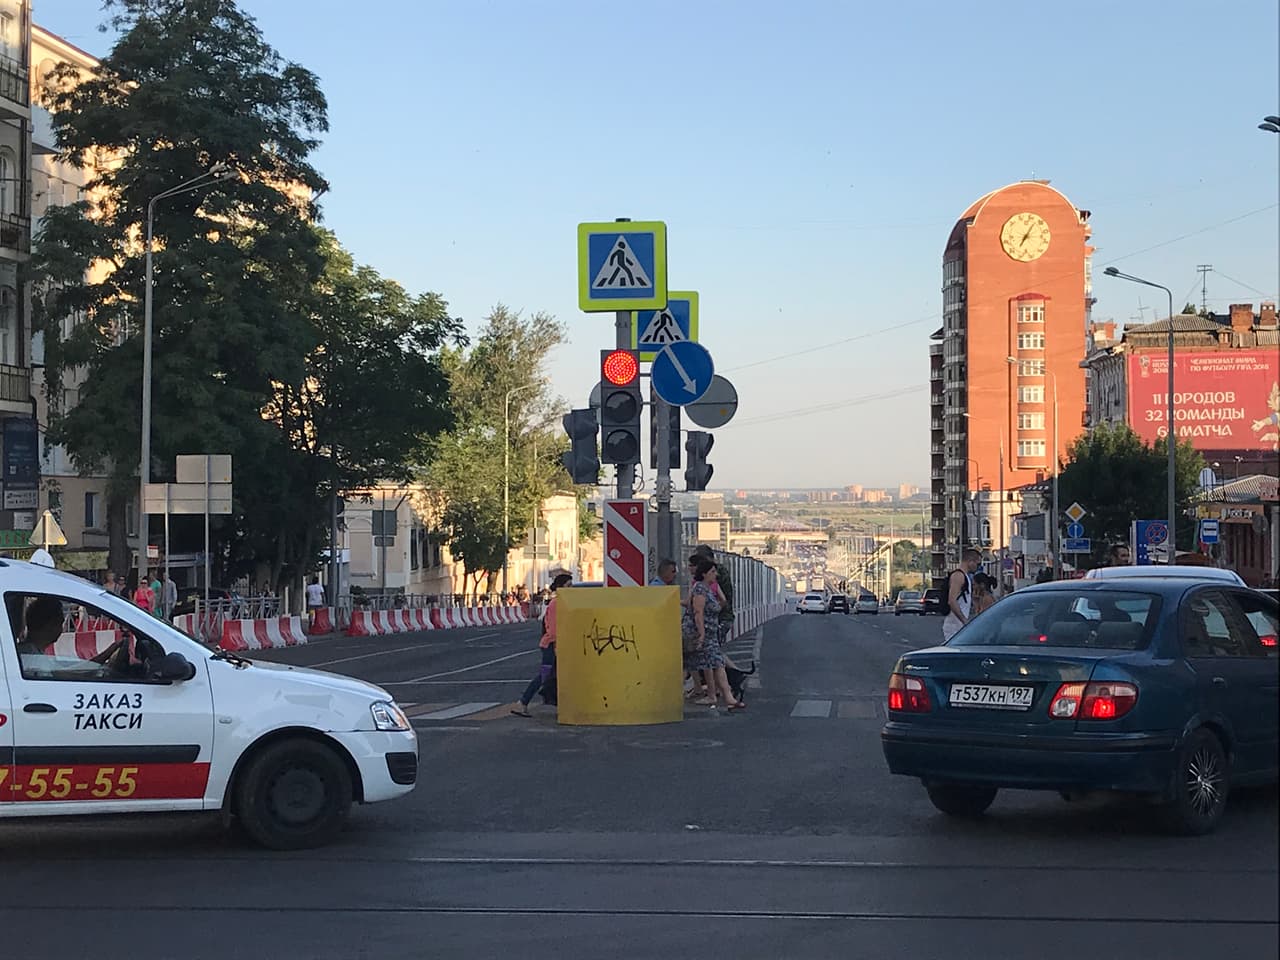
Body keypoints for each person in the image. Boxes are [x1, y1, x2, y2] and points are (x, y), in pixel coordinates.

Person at [684, 556, 743, 711]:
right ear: (704, 574)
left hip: (710, 634)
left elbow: (719, 603)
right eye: (712, 571)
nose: (715, 574)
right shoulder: (700, 589)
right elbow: (698, 612)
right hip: (701, 634)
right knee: (708, 663)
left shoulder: (708, 588)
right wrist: (702, 634)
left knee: (716, 663)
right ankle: (714, 695)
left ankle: (724, 696)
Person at [511, 572, 572, 717]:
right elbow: (554, 629)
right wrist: (558, 645)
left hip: (556, 645)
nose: (572, 588)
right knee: (544, 676)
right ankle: (523, 702)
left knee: (557, 675)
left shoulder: (563, 602)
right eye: (568, 585)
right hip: (551, 646)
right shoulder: (556, 603)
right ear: (560, 587)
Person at [942, 548, 981, 642]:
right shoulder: (959, 576)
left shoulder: (965, 577)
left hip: (958, 626)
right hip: (954, 626)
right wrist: (963, 620)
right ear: (970, 561)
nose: (978, 567)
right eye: (977, 563)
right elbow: (952, 600)